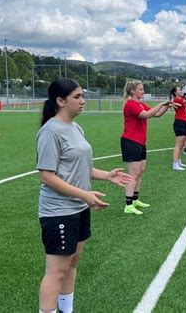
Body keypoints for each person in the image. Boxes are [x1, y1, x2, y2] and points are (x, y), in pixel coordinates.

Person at [37, 79, 132, 313]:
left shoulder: (75, 127)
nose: (83, 101)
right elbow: (47, 176)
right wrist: (84, 194)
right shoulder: (50, 131)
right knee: (56, 272)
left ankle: (67, 310)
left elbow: (84, 168)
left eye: (82, 96)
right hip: (59, 211)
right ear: (60, 101)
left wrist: (107, 175)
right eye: (77, 97)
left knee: (72, 264)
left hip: (79, 208)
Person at [121, 81, 174, 215]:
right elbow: (146, 115)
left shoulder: (139, 104)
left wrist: (167, 106)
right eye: (141, 89)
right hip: (130, 141)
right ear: (133, 91)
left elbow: (155, 114)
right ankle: (128, 205)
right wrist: (161, 103)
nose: (143, 91)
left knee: (140, 172)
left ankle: (135, 199)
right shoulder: (131, 104)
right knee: (133, 174)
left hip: (140, 142)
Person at [170, 86, 186, 170]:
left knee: (182, 144)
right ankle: (175, 164)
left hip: (184, 122)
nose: (181, 91)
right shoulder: (178, 99)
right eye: (179, 90)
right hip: (179, 122)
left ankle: (179, 161)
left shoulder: (181, 99)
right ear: (175, 93)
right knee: (178, 145)